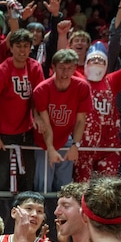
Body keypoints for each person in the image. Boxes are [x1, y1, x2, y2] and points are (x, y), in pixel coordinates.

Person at [75, 28, 121, 183]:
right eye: (93, 59)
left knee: (106, 190)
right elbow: (62, 58)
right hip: (83, 147)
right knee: (82, 188)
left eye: (101, 60)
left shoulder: (111, 80)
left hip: (109, 147)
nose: (97, 62)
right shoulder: (79, 80)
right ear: (86, 62)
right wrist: (61, 35)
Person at [0, 28, 45, 192]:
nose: (22, 50)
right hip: (3, 134)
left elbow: (37, 97)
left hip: (26, 133)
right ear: (11, 48)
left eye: (26, 46)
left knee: (27, 179)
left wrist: (36, 116)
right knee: (1, 181)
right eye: (18, 46)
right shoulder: (2, 71)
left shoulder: (35, 67)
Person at [32, 49, 90, 192]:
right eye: (62, 68)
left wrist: (75, 145)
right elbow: (45, 124)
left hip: (66, 138)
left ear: (75, 69)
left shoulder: (82, 87)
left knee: (65, 186)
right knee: (44, 185)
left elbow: (80, 120)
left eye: (70, 68)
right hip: (43, 141)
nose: (65, 73)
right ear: (53, 67)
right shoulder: (42, 89)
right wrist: (50, 148)